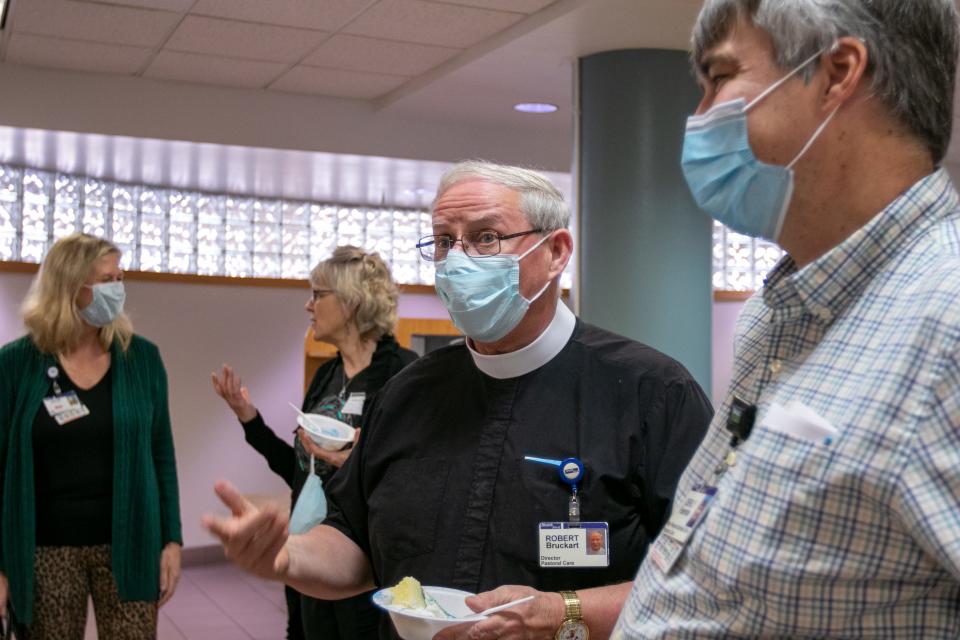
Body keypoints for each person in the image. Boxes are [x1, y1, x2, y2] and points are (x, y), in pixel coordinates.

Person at [204, 161, 714, 640]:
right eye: (446, 241)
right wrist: (284, 557)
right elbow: (352, 545)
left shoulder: (652, 395)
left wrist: (563, 614)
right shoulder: (408, 395)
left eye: (486, 237)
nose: (459, 260)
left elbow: (707, 580)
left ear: (556, 252)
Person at [613, 1, 960, 637]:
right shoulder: (777, 318)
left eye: (719, 79)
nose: (698, 118)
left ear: (837, 73)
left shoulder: (947, 322)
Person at [211, 246, 417, 640]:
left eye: (318, 294)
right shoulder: (327, 376)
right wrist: (247, 417)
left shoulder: (403, 375)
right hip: (311, 551)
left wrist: (360, 466)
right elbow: (301, 470)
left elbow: (417, 482)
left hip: (364, 563)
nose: (309, 306)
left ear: (352, 303)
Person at [0, 233, 182, 639]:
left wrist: (171, 539)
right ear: (69, 286)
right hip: (46, 550)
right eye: (105, 280)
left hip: (130, 543)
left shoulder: (142, 358)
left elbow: (161, 454)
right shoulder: (16, 364)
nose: (117, 290)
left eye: (120, 277)